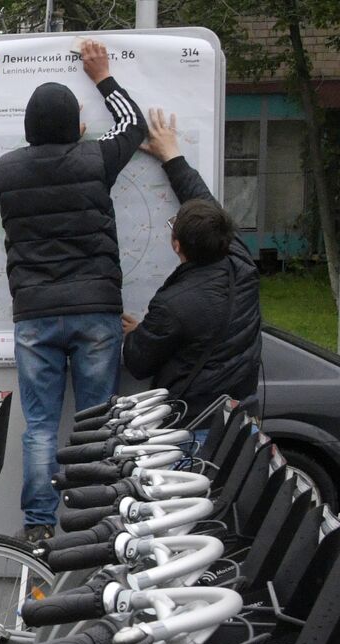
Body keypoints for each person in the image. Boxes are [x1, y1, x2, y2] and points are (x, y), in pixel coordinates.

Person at [0, 40, 147, 543]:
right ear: (76, 126)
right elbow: (133, 126)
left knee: (39, 424)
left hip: (35, 313)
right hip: (95, 311)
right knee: (94, 422)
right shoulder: (95, 160)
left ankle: (38, 526)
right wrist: (102, 77)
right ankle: (93, 517)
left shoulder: (5, 171)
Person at [122, 108, 262, 433]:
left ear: (176, 245)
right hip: (239, 421)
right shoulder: (239, 259)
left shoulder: (172, 306)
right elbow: (200, 196)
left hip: (193, 425)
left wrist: (138, 335)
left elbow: (138, 362)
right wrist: (171, 154)